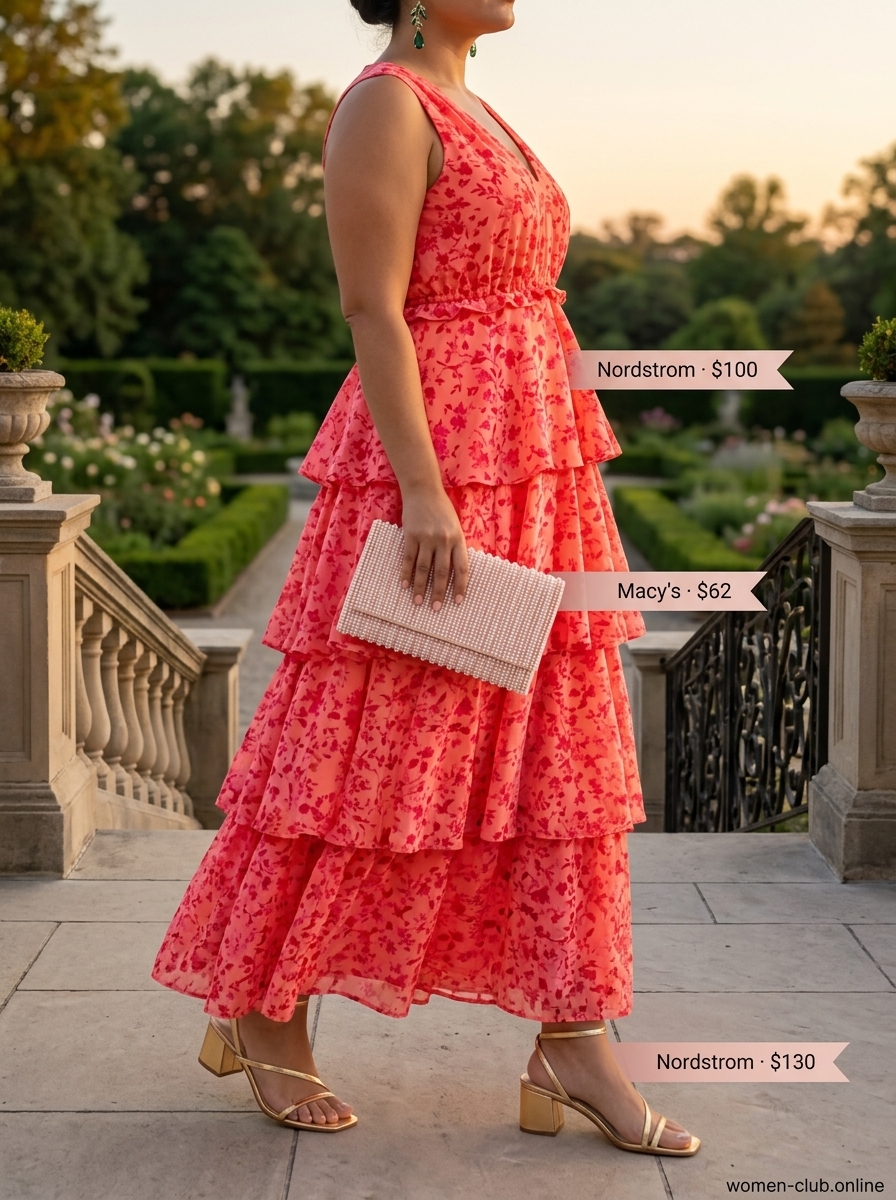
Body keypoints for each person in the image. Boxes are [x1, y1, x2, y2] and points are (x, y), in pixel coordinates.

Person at [153, 0, 699, 1156]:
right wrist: (423, 493)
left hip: (534, 463)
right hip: (441, 470)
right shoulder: (382, 105)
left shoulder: (477, 105)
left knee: (556, 758)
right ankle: (264, 1007)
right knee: (366, 751)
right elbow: (372, 309)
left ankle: (573, 1039)